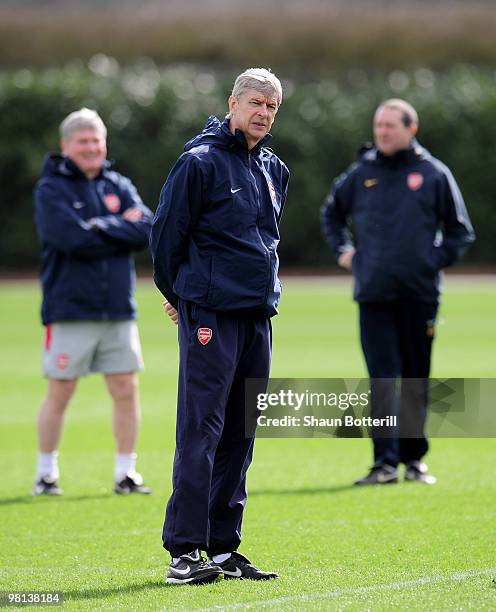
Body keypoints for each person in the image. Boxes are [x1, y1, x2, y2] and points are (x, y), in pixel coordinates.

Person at [150, 68, 289, 585]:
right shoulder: (198, 163)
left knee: (241, 433)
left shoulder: (275, 168)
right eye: (255, 102)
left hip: (257, 316)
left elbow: (270, 240)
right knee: (201, 429)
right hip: (210, 314)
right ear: (232, 102)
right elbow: (166, 237)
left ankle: (225, 548)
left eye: (272, 107)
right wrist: (180, 297)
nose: (262, 113)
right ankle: (184, 552)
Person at [321, 98, 475, 486]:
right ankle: (383, 463)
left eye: (390, 126)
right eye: (378, 125)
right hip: (373, 293)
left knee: (415, 378)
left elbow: (460, 231)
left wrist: (430, 261)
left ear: (411, 129)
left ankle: (414, 460)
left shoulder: (433, 173)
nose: (382, 132)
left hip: (419, 293)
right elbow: (331, 213)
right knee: (382, 379)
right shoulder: (361, 173)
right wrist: (344, 252)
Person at [33, 108, 154, 496]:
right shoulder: (51, 189)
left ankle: (126, 473)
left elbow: (148, 228)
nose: (91, 148)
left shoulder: (118, 184)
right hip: (70, 308)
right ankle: (46, 473)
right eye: (82, 141)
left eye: (96, 140)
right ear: (66, 145)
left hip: (118, 307)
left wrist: (101, 225)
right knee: (61, 389)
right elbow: (69, 239)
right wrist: (119, 230)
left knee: (125, 387)